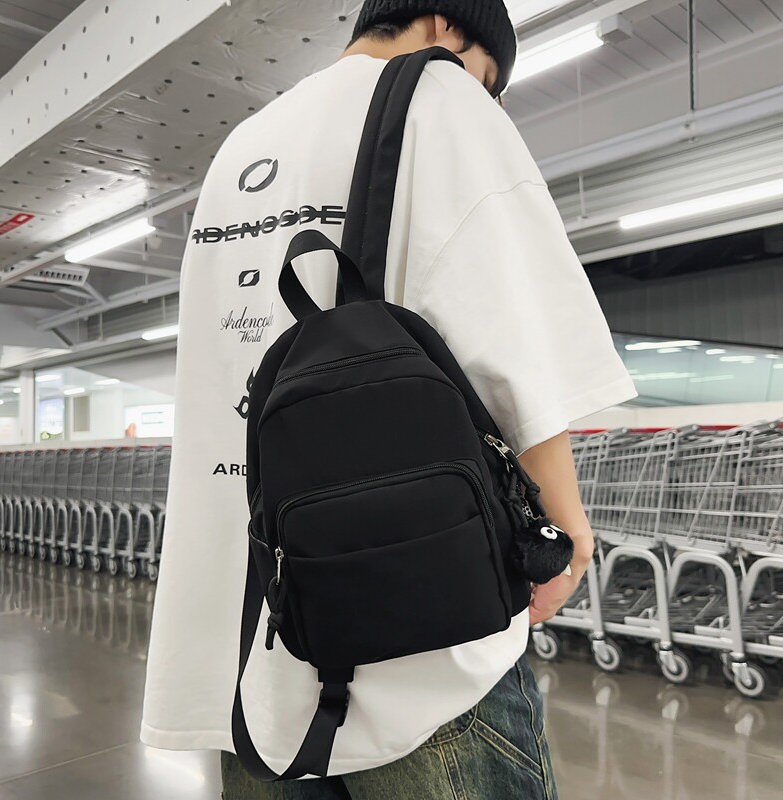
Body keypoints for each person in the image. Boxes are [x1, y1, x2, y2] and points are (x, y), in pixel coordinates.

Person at [140, 2, 637, 798]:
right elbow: (515, 329)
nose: (487, 96)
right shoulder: (441, 93)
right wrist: (564, 531)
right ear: (447, 27)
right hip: (416, 635)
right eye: (489, 77)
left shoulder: (244, 145)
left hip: (251, 644)